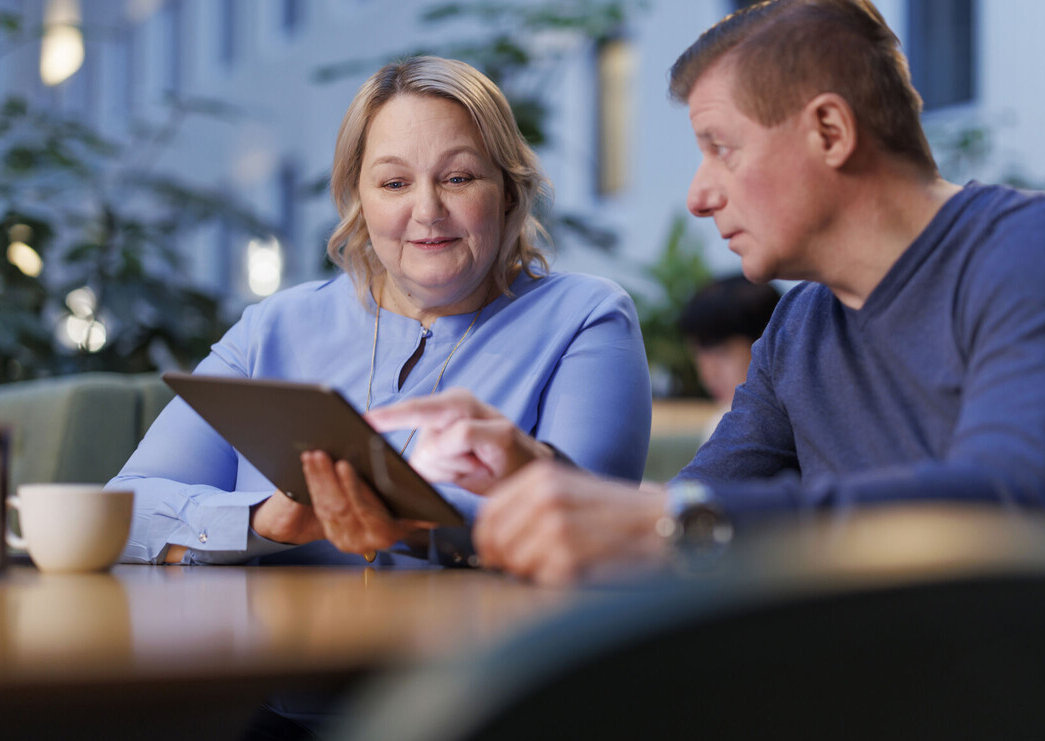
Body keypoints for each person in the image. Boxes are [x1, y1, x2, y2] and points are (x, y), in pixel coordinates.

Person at [371, 0, 1045, 741]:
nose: (699, 195)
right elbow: (692, 521)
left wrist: (660, 522)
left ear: (830, 131)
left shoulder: (1035, 253)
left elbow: (1004, 507)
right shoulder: (802, 326)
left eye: (720, 147)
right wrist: (537, 483)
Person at [105, 55, 651, 569]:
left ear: (508, 191)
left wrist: (410, 526)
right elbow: (124, 511)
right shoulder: (272, 327)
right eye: (394, 183)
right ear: (359, 200)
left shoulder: (585, 317)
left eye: (458, 178)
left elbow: (591, 529)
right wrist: (261, 521)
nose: (428, 211)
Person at [677, 274, 781, 440]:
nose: (708, 373)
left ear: (766, 344)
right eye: (698, 355)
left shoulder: (728, 428)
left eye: (721, 353)